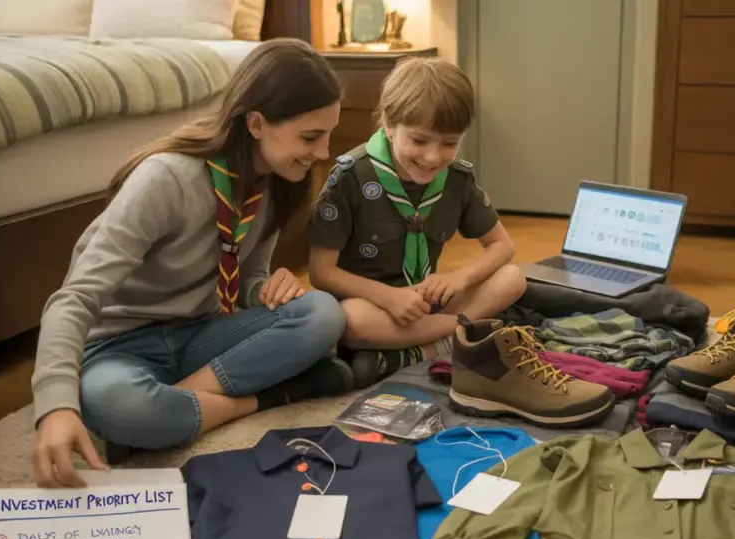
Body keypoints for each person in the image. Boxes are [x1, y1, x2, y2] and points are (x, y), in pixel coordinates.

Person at [31, 38, 351, 489]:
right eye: (311, 137)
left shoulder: (277, 182)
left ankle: (174, 408)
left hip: (199, 334)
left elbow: (245, 280)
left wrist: (267, 289)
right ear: (256, 123)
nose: (323, 153)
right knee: (116, 403)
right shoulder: (165, 178)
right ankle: (272, 395)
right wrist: (56, 407)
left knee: (323, 313)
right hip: (118, 347)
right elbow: (74, 298)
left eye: (328, 135)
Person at [304, 56, 527, 388]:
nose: (433, 157)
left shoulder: (457, 178)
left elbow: (502, 247)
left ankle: (416, 351)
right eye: (419, 141)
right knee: (350, 320)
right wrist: (389, 298)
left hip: (428, 304)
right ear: (389, 125)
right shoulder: (351, 177)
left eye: (450, 143)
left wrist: (460, 279)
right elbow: (321, 272)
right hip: (373, 306)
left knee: (513, 279)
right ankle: (457, 336)